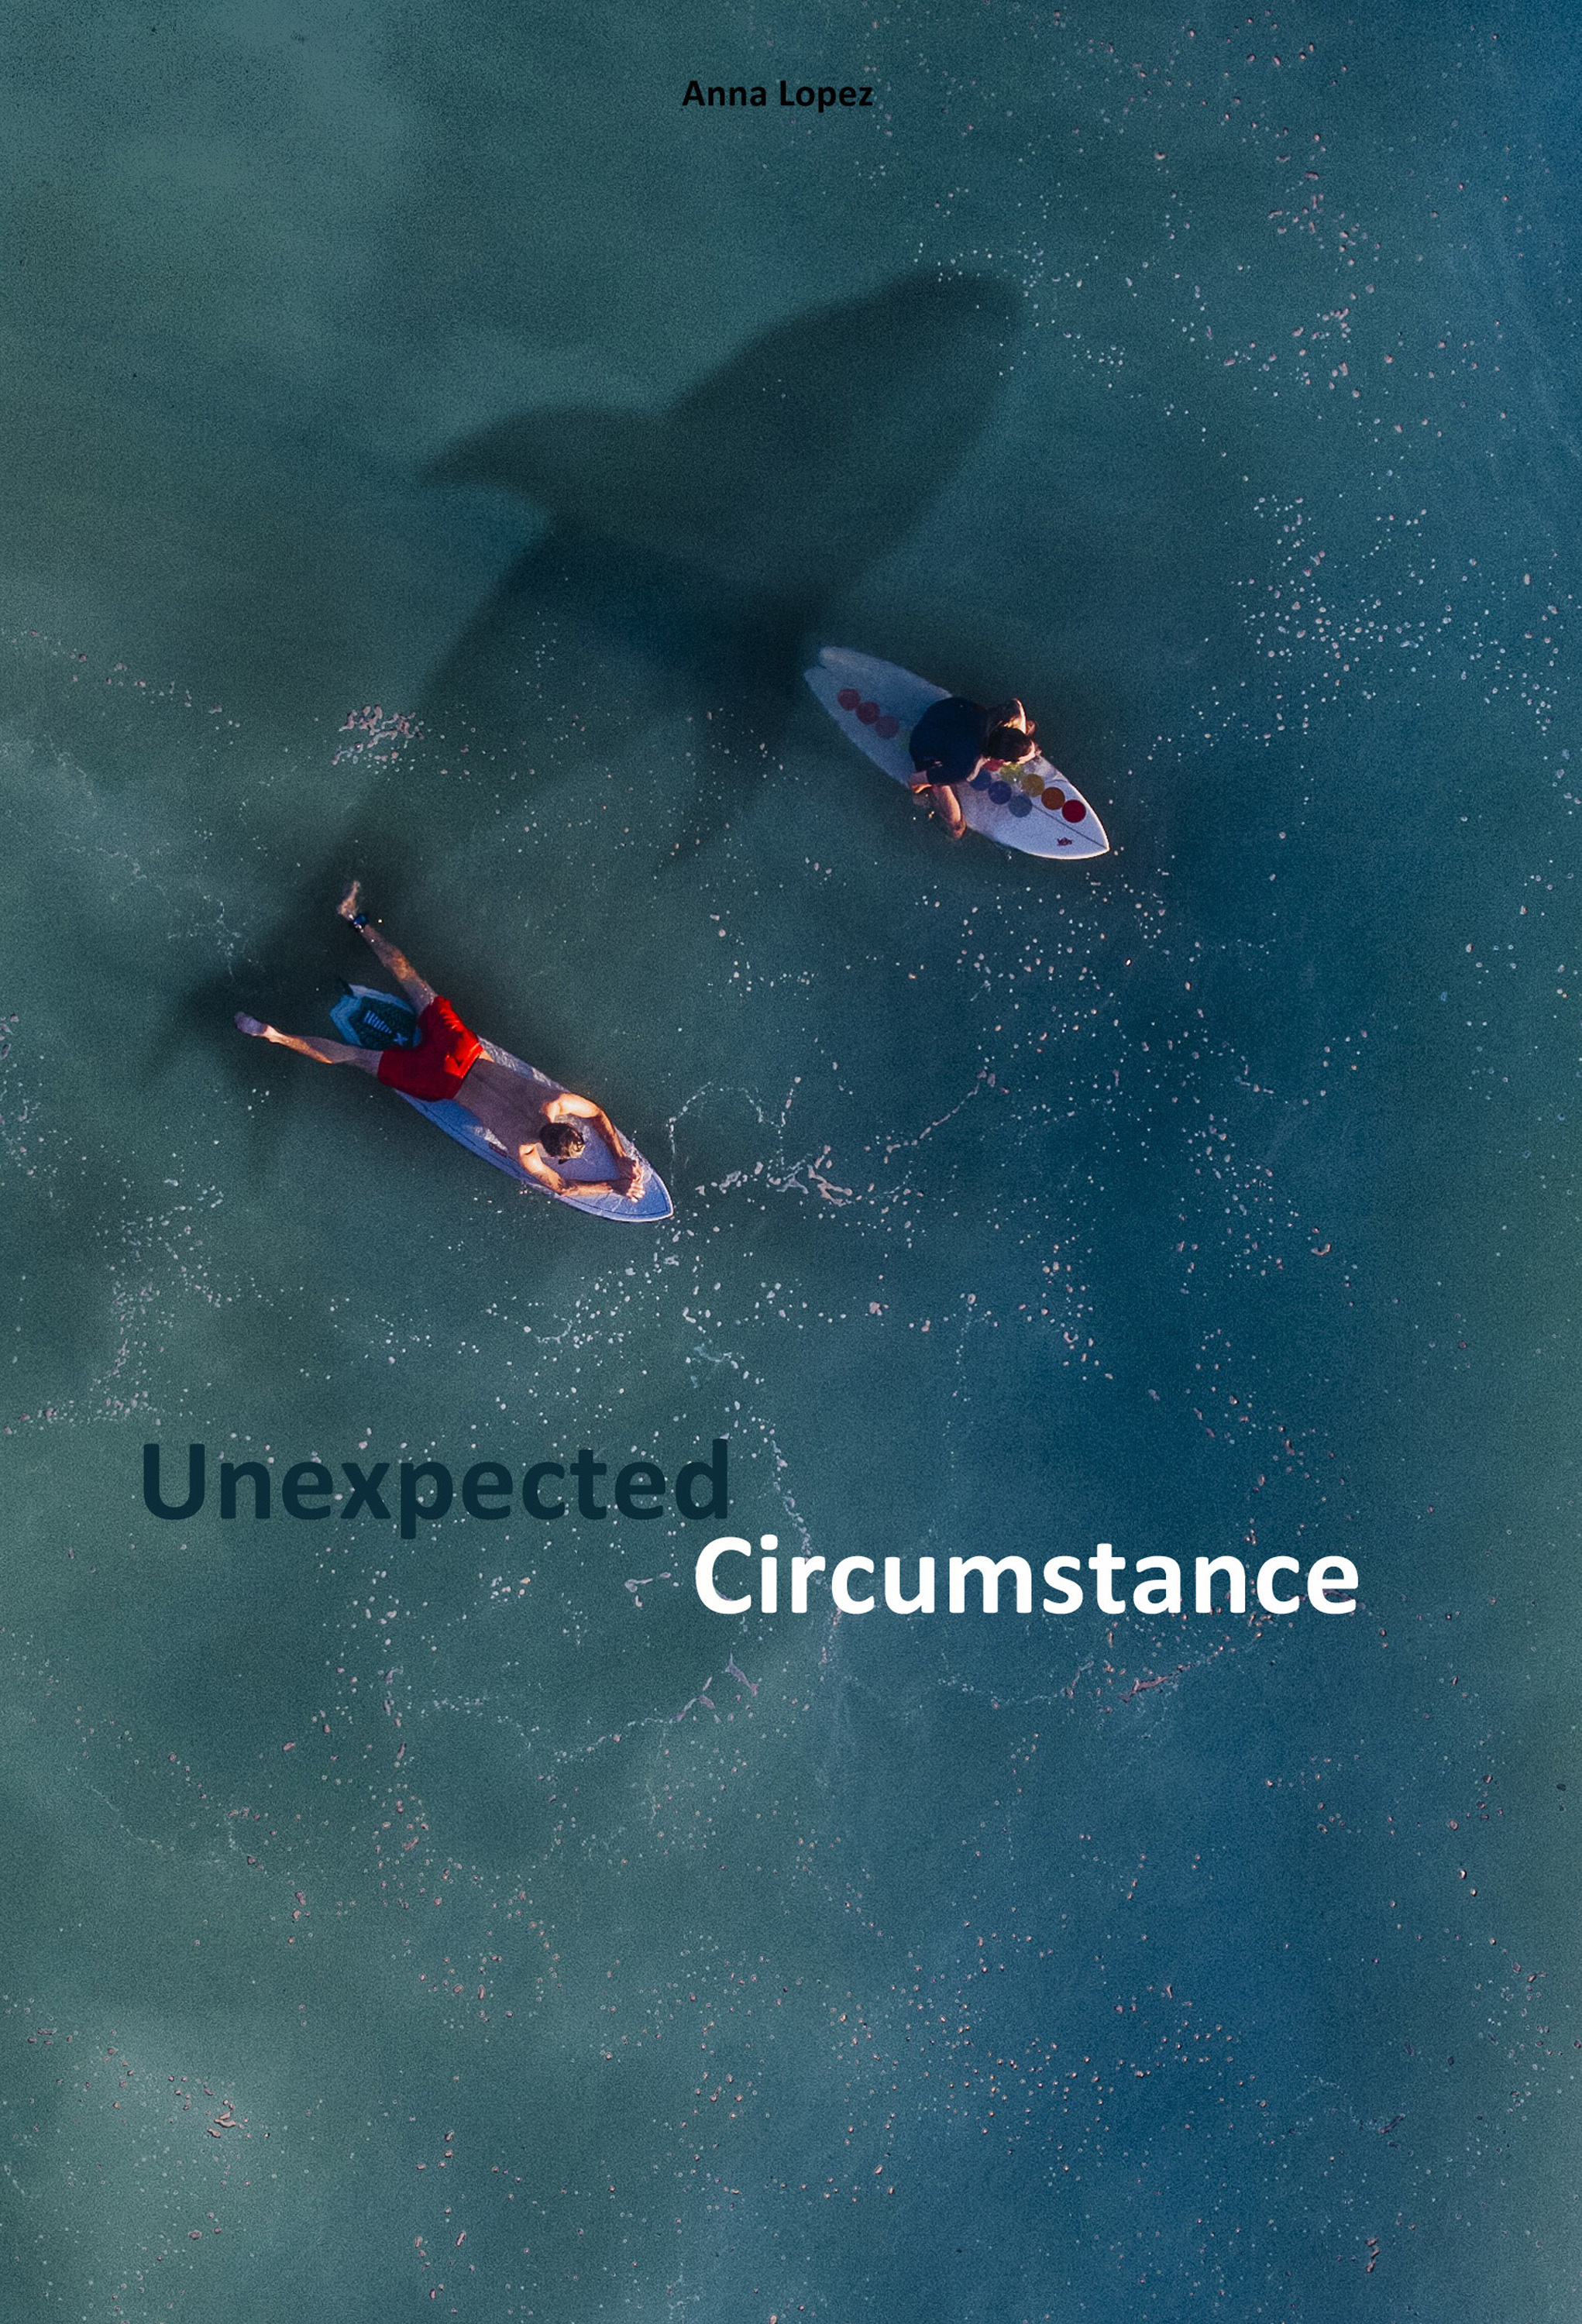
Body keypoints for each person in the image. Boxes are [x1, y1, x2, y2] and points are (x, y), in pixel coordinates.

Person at [235, 883, 644, 1202]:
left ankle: (356, 920)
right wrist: (614, 1185)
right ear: (551, 1152)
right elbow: (564, 1188)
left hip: (463, 1050)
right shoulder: (524, 1151)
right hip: (442, 1083)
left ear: (563, 1123)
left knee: (414, 983)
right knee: (358, 1057)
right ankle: (275, 1035)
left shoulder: (555, 1100)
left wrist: (618, 1154)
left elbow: (597, 1114)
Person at [907, 695, 1039, 839]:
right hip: (923, 744)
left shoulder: (1002, 715)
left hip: (945, 709)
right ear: (1003, 760)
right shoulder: (966, 770)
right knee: (957, 828)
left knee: (1028, 725)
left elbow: (1016, 703)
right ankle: (939, 798)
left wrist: (1020, 736)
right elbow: (915, 780)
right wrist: (922, 792)